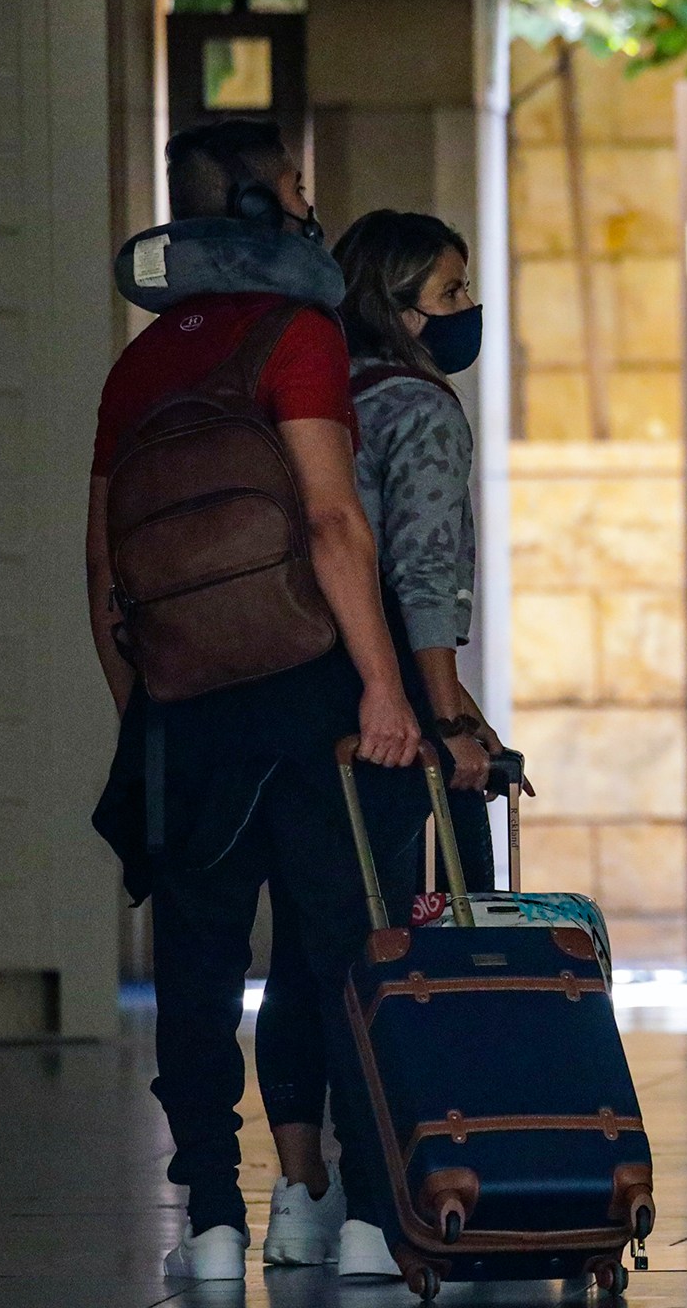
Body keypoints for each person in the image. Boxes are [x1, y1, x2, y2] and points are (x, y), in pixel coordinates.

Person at [86, 119, 422, 1282]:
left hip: (188, 710)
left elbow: (104, 574)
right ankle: (370, 1219)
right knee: (338, 955)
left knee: (196, 963)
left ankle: (216, 1228)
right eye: (296, 185)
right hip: (308, 699)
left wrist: (155, 699)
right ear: (273, 201)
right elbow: (334, 523)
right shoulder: (298, 337)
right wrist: (383, 685)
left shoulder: (136, 366)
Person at [250, 209, 511, 1275]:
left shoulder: (303, 405)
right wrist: (450, 718)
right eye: (447, 295)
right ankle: (385, 1201)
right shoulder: (418, 411)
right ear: (395, 306)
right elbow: (423, 576)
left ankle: (302, 1197)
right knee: (413, 946)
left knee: (308, 962)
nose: (463, 314)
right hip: (391, 714)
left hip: (291, 704)